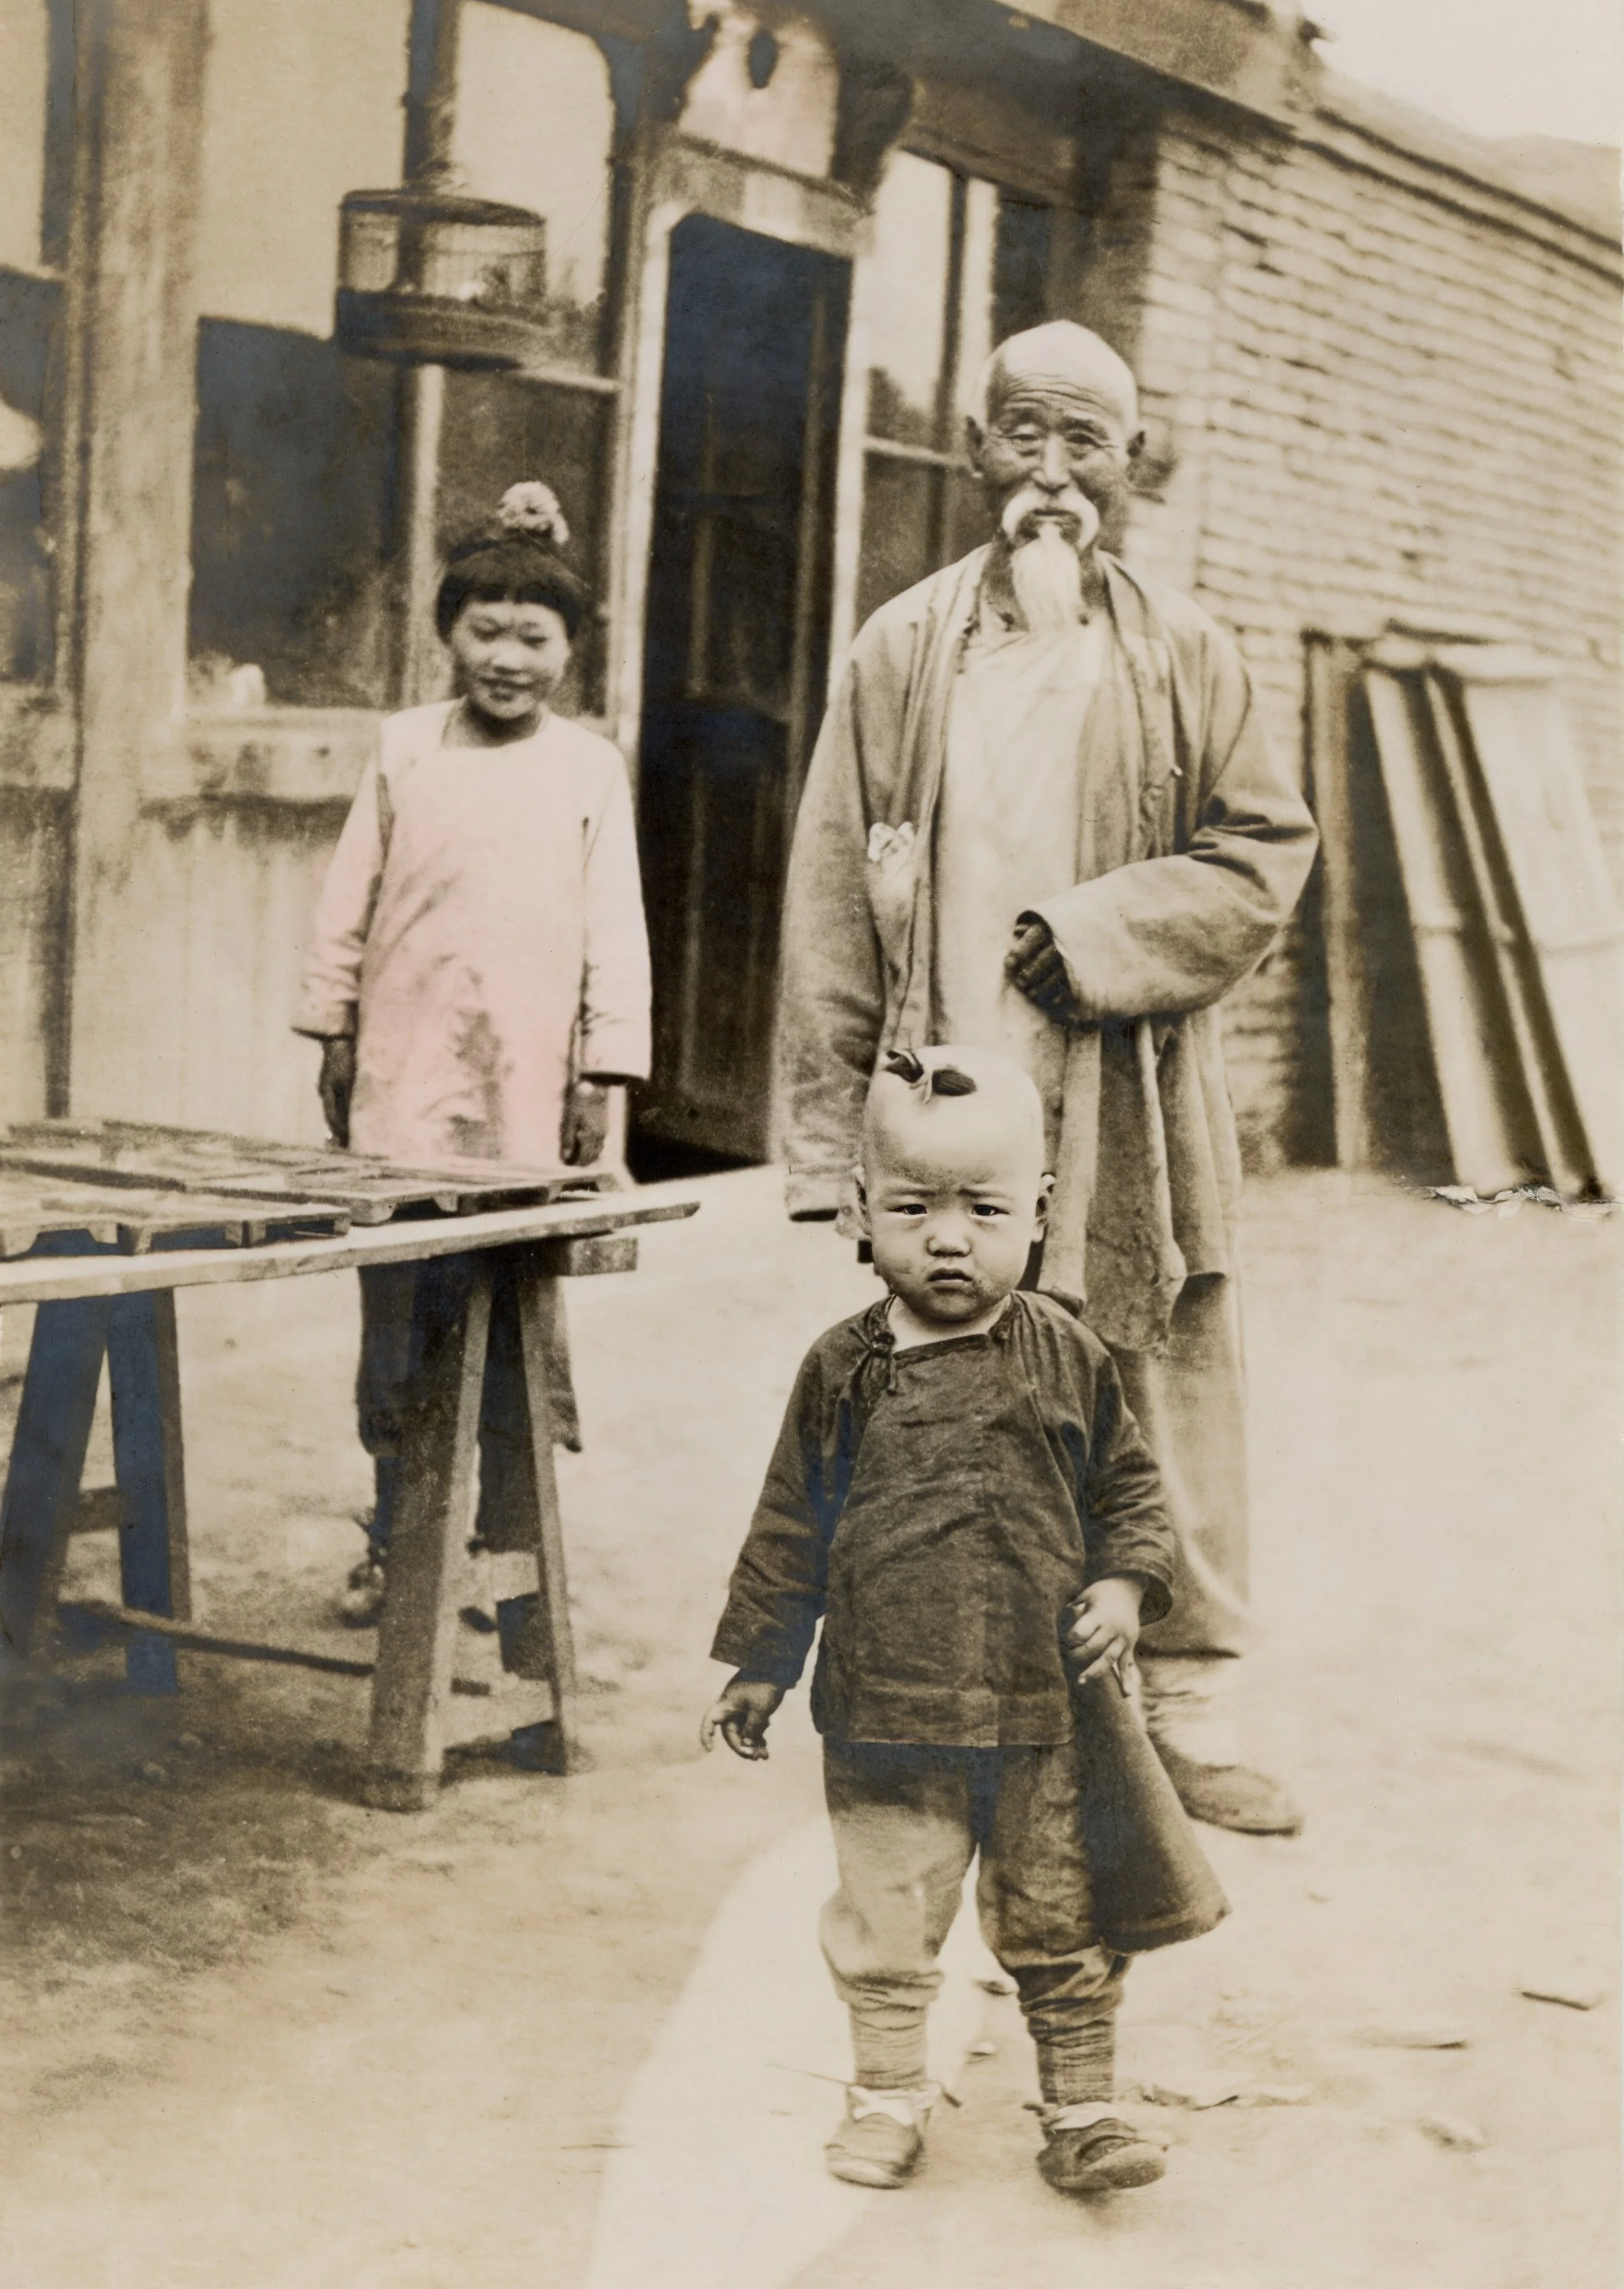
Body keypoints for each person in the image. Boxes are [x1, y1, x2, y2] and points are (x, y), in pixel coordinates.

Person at [776, 321, 1319, 1834]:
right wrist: (835, 1145)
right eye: (1025, 435)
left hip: (1121, 1085)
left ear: (1130, 466)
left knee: (1154, 1377)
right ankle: (965, 1711)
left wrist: (1089, 934)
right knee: (945, 1387)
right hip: (945, 1083)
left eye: (1086, 444)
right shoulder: (900, 647)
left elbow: (1261, 852)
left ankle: (1185, 1707)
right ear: (973, 450)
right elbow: (832, 884)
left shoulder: (1183, 650)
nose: (1052, 475)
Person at [704, 1045, 1179, 2198]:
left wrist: (1123, 1586)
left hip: (1044, 1708)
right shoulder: (842, 1371)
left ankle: (1082, 2109)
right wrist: (761, 1663)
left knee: (1057, 1915)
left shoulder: (1068, 1353)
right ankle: (885, 2096)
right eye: (914, 1210)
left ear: (1041, 1216)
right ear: (863, 1215)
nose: (950, 1239)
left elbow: (1131, 1490)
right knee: (887, 1917)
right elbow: (789, 1526)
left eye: (985, 1210)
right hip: (887, 1711)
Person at [295, 481, 652, 1629]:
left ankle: (506, 1552)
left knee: (510, 1312)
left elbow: (615, 931)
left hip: (526, 1090)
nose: (506, 659)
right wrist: (336, 1028)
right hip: (401, 1077)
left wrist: (604, 1075)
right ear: (447, 633)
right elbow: (346, 902)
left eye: (533, 637)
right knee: (397, 1310)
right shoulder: (403, 751)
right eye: (483, 631)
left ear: (570, 650)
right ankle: (398, 1539)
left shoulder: (589, 769)